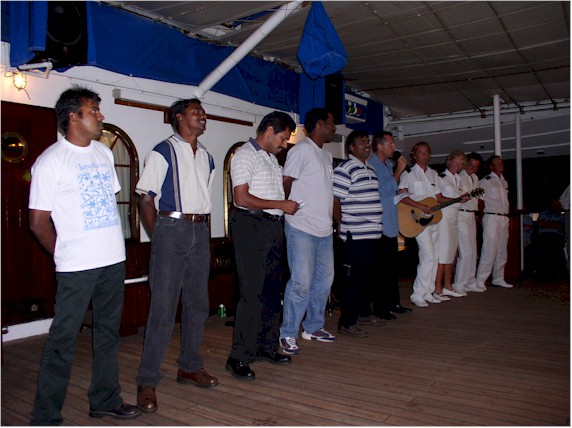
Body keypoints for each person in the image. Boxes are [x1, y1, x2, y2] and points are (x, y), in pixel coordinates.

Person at [28, 85, 141, 425]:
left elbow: (107, 203)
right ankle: (45, 415)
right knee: (63, 339)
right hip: (77, 266)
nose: (101, 116)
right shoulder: (50, 161)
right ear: (74, 117)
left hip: (112, 261)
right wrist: (64, 253)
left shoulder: (103, 153)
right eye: (94, 111)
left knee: (107, 334)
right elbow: (38, 222)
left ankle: (105, 399)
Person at [135, 98, 218, 413]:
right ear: (179, 117)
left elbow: (204, 200)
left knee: (198, 304)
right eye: (196, 112)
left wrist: (202, 234)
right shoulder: (163, 151)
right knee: (163, 308)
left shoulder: (208, 157)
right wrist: (160, 237)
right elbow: (146, 200)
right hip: (171, 228)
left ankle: (189, 366)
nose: (203, 115)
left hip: (200, 230)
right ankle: (147, 380)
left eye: (203, 112)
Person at [225, 112, 300, 380]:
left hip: (272, 227)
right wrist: (281, 204)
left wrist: (281, 207)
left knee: (271, 291)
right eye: (282, 138)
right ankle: (239, 357)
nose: (284, 144)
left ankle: (266, 347)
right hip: (251, 225)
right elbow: (241, 198)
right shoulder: (245, 155)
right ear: (269, 131)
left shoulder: (270, 158)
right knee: (252, 293)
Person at [279, 108, 337, 355]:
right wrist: (283, 209)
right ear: (319, 124)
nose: (334, 128)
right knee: (301, 283)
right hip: (301, 227)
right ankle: (288, 333)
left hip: (324, 230)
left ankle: (313, 327)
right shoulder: (301, 150)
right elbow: (286, 182)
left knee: (324, 282)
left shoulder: (326, 155)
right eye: (331, 123)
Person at [333, 131, 384, 337]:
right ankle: (347, 322)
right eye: (361, 142)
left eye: (367, 141)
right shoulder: (345, 168)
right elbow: (335, 201)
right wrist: (341, 225)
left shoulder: (370, 168)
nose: (367, 145)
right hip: (355, 235)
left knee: (368, 279)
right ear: (351, 147)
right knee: (353, 280)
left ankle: (363, 312)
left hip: (373, 234)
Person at [398, 142, 451, 308]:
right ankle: (418, 294)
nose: (424, 154)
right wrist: (420, 207)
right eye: (421, 152)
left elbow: (439, 198)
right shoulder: (409, 174)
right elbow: (401, 196)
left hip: (434, 219)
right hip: (418, 221)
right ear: (414, 156)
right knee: (427, 257)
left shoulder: (434, 174)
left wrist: (458, 199)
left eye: (427, 152)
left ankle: (428, 292)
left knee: (435, 257)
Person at [368, 131, 412, 320]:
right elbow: (379, 190)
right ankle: (381, 308)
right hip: (380, 225)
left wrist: (399, 192)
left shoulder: (387, 164)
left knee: (392, 268)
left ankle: (394, 302)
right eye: (391, 144)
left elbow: (388, 192)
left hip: (391, 223)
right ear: (379, 146)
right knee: (381, 270)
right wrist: (399, 171)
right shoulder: (372, 165)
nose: (394, 147)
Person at [434, 150, 469, 300]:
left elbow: (460, 197)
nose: (457, 165)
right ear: (449, 161)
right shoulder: (441, 177)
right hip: (444, 217)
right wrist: (457, 199)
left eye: (461, 163)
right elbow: (439, 198)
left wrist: (463, 199)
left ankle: (448, 286)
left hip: (455, 217)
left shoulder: (459, 179)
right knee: (442, 254)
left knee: (451, 253)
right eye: (455, 161)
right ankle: (437, 288)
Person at [475, 155, 513, 289]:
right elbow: (479, 200)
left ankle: (498, 278)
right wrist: (481, 216)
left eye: (502, 162)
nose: (501, 164)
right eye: (498, 162)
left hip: (504, 218)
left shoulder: (504, 182)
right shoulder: (485, 181)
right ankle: (480, 279)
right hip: (491, 217)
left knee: (502, 250)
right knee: (489, 249)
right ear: (491, 166)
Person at [453, 152, 484, 293]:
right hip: (461, 214)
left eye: (476, 166)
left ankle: (470, 281)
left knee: (473, 250)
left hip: (471, 215)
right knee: (465, 251)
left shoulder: (475, 178)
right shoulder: (459, 176)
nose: (473, 168)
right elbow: (457, 196)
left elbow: (478, 198)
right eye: (471, 164)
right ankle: (459, 283)